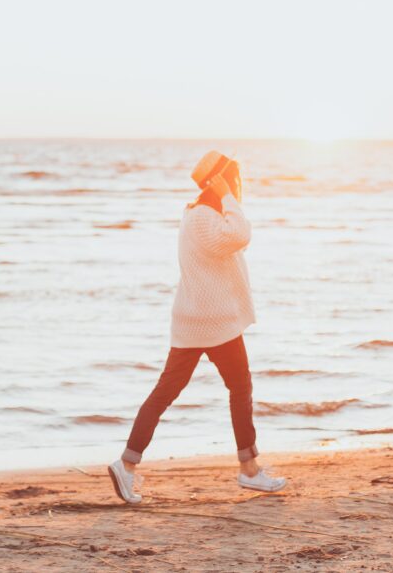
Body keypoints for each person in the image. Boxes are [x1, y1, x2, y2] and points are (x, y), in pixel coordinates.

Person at [107, 150, 287, 504]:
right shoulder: (206, 216)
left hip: (194, 320)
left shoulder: (195, 213)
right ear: (220, 182)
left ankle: (127, 464)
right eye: (234, 178)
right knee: (240, 389)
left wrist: (226, 197)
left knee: (166, 392)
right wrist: (227, 194)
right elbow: (240, 234)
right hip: (215, 322)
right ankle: (249, 470)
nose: (238, 185)